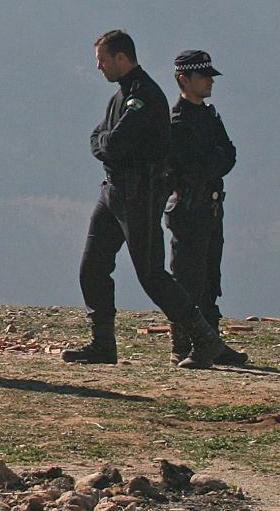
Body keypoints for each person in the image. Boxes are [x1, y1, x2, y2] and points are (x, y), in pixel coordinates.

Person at [63, 30, 246, 369]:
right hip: (113, 191)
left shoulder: (144, 96)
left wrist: (105, 143)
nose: (98, 67)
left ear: (122, 58)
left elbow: (111, 144)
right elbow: (99, 138)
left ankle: (203, 339)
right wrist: (105, 143)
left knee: (152, 275)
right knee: (93, 266)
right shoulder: (121, 97)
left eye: (103, 60)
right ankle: (102, 343)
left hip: (139, 194)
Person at [165, 50, 238, 365]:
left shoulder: (209, 115)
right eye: (203, 76)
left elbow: (229, 154)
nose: (210, 81)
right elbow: (194, 166)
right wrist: (215, 162)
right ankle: (185, 345)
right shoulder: (177, 122)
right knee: (188, 279)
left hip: (211, 208)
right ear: (184, 79)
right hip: (189, 208)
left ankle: (212, 341)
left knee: (210, 278)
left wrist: (215, 162)